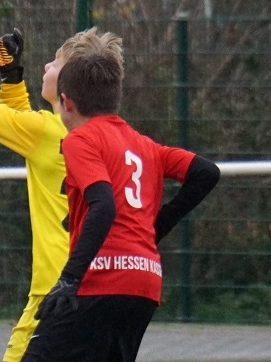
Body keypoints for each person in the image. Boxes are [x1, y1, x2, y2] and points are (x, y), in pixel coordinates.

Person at [22, 51, 220, 362]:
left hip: (98, 281)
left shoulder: (80, 140)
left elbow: (103, 205)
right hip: (144, 283)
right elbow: (207, 173)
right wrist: (153, 230)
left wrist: (69, 279)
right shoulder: (144, 145)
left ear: (66, 101)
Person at [0, 13, 128, 361]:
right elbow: (29, 132)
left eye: (54, 63)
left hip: (55, 284)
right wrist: (10, 77)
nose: (46, 66)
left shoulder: (46, 132)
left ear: (68, 85)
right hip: (104, 282)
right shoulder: (101, 135)